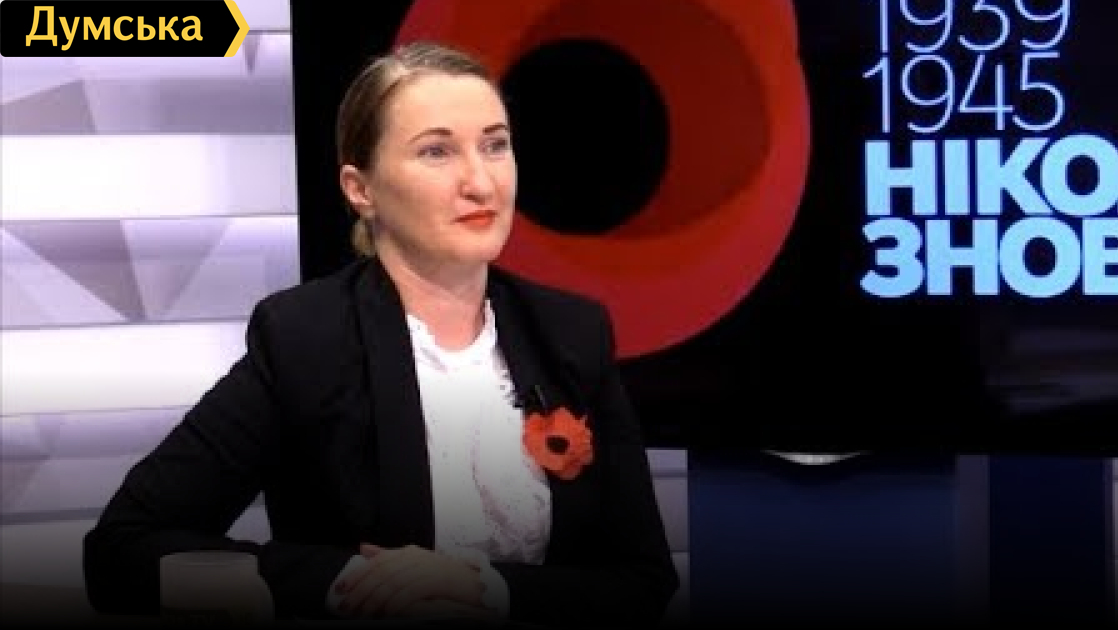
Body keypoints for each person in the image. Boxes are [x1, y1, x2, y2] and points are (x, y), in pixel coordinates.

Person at [82, 41, 679, 626]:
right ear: (360, 189)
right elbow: (124, 548)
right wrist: (347, 583)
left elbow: (643, 582)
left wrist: (486, 590)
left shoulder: (570, 331)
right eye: (437, 152)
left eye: (495, 145)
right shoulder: (306, 337)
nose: (481, 182)